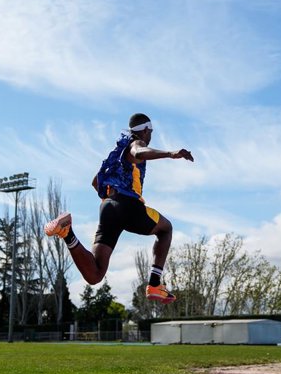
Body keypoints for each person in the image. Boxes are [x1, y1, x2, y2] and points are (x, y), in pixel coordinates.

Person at [44, 113, 194, 304]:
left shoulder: (116, 154)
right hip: (128, 205)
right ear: (146, 130)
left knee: (95, 275)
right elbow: (139, 153)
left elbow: (95, 182)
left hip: (108, 208)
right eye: (151, 132)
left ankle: (67, 233)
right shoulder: (135, 144)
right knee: (166, 228)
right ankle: (155, 284)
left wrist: (112, 199)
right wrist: (170, 153)